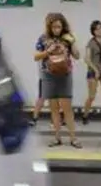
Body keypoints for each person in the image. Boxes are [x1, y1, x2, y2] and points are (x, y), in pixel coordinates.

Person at [34, 13, 81, 148]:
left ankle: (73, 138)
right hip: (48, 75)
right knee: (53, 107)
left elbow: (77, 56)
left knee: (67, 108)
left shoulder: (67, 38)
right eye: (53, 27)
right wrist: (48, 51)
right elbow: (36, 56)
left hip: (65, 75)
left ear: (63, 26)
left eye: (59, 26)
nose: (56, 29)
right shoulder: (43, 39)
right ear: (49, 27)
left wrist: (72, 42)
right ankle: (57, 138)